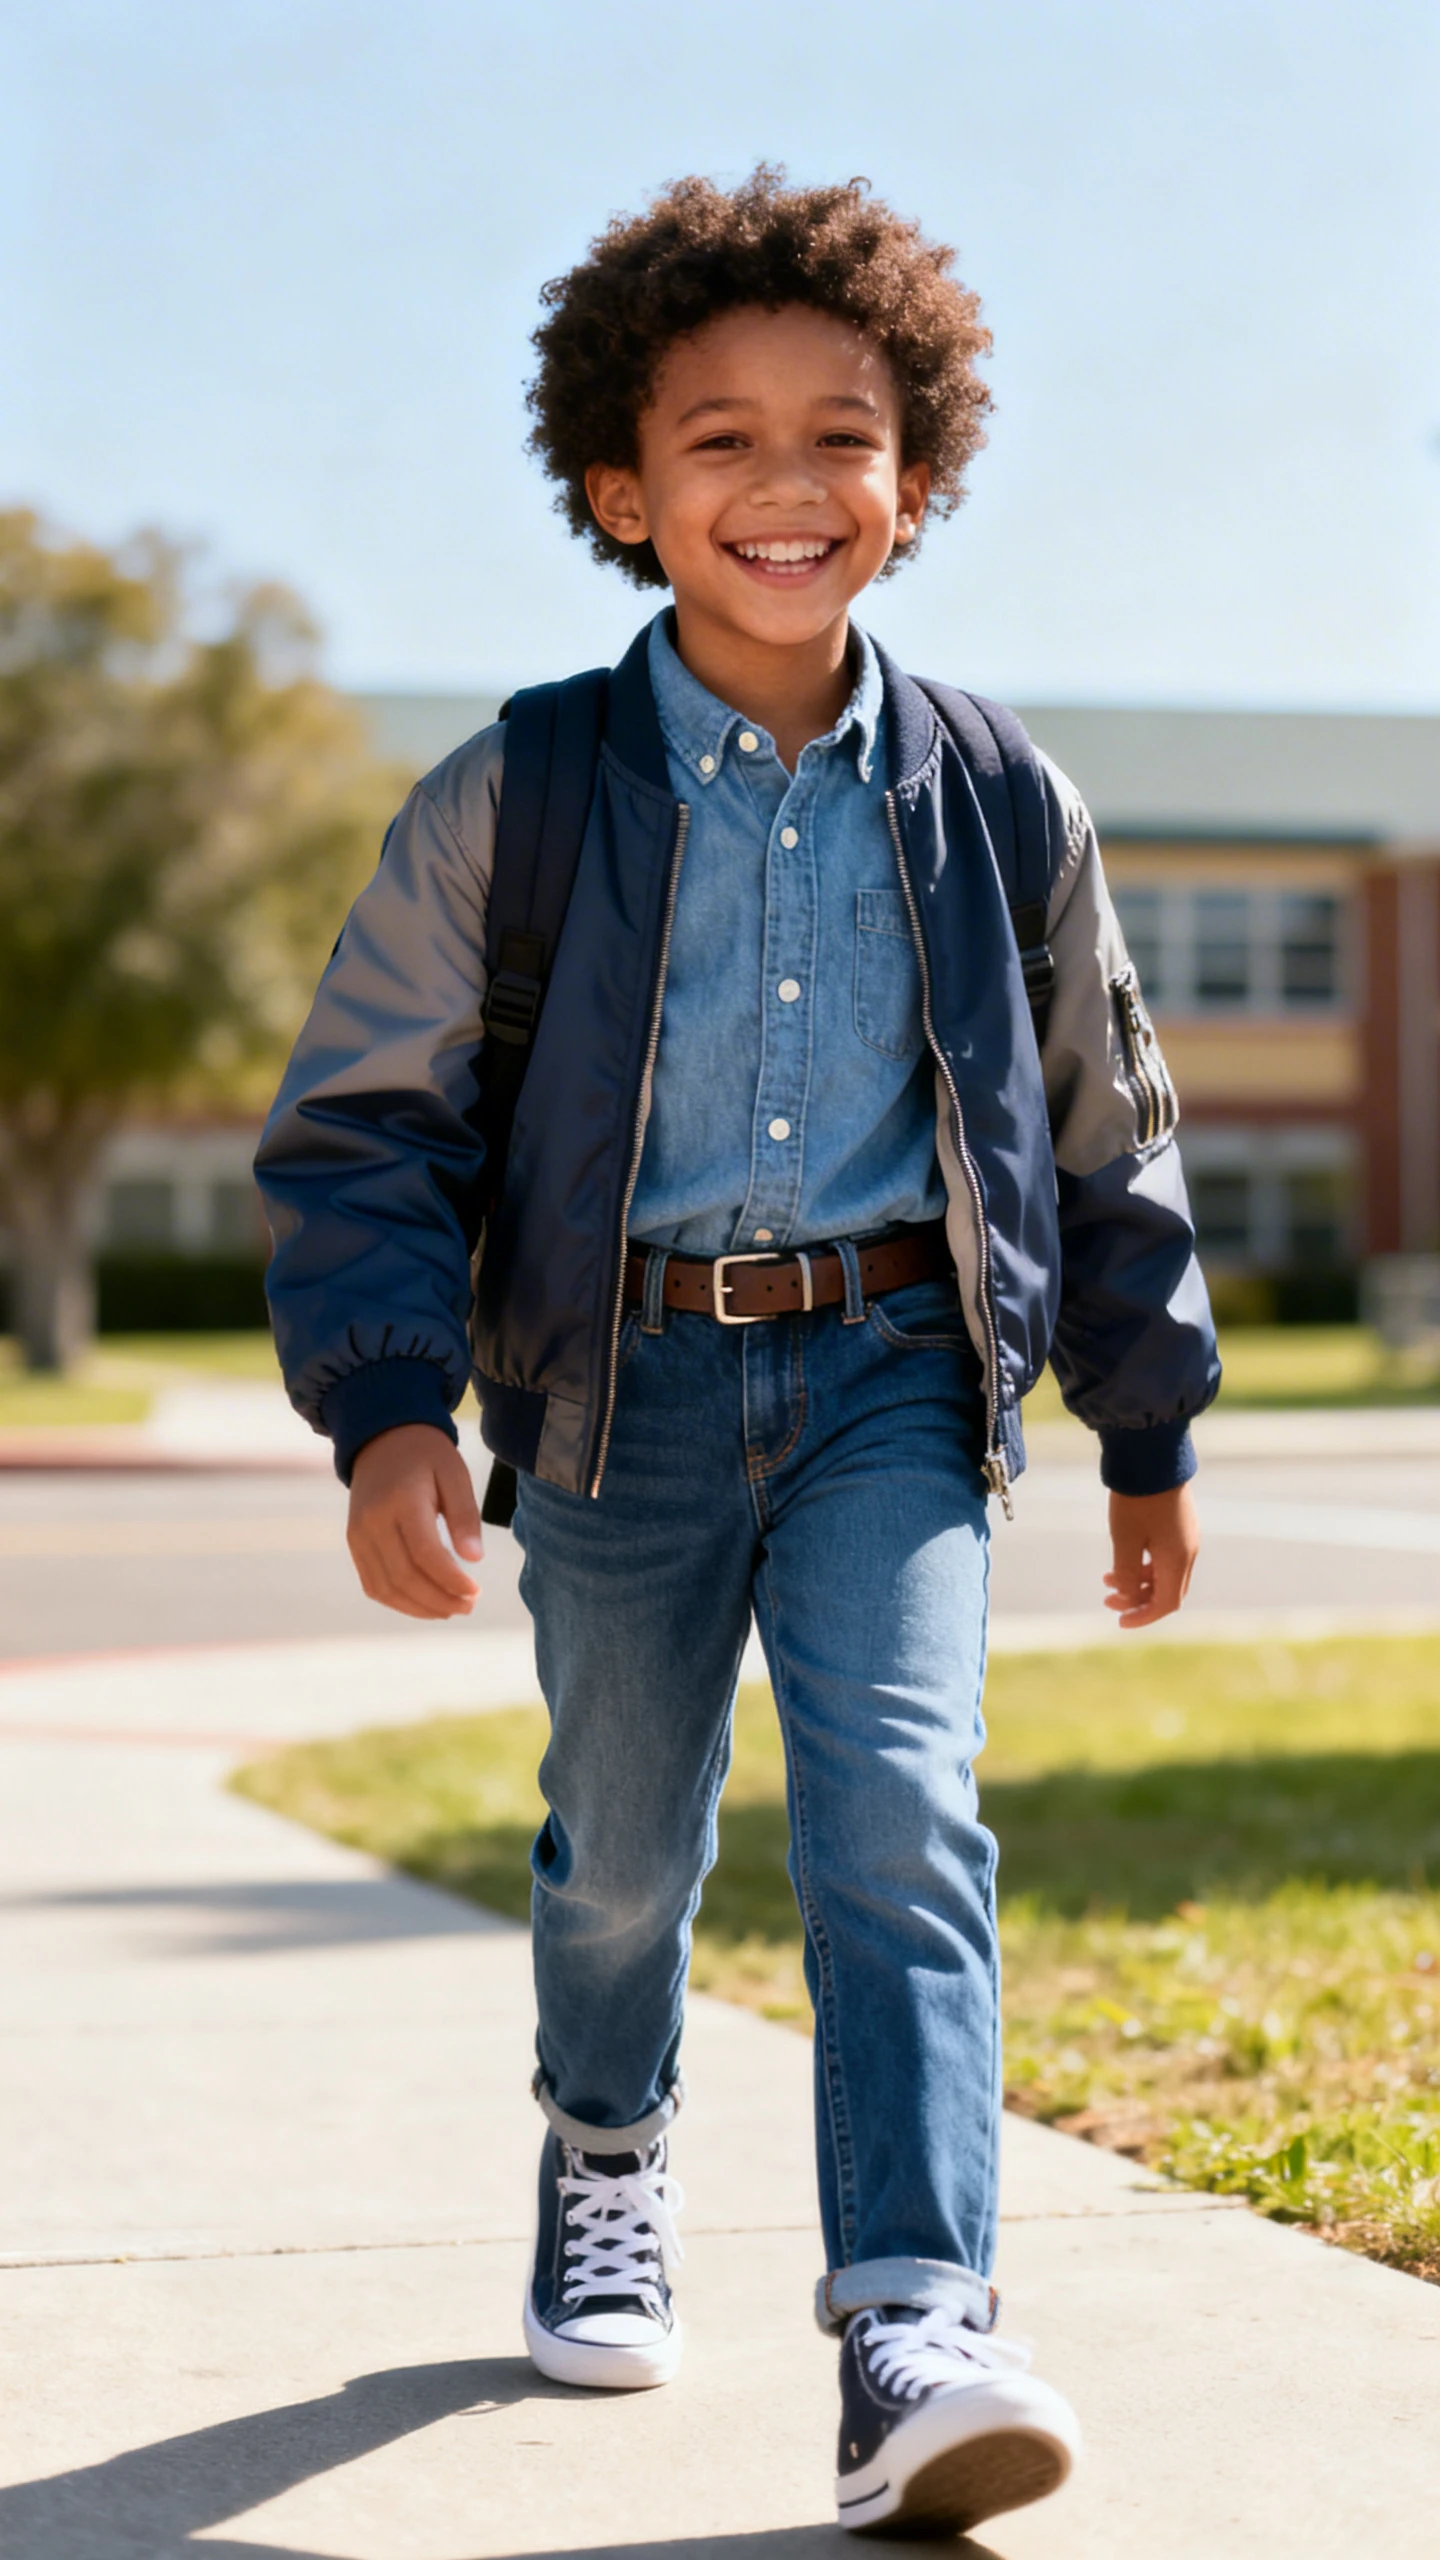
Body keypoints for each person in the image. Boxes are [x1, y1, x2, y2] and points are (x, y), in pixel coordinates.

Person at [255, 168, 1219, 2538]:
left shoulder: (998, 798)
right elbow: (366, 1122)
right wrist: (391, 1405)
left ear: (918, 479)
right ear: (621, 489)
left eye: (842, 437)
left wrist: (1151, 1423)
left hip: (896, 1371)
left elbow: (1105, 1120)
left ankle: (919, 2311)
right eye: (719, 441)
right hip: (619, 1390)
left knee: (901, 1810)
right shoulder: (525, 793)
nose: (785, 487)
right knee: (628, 1846)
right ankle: (609, 2139)